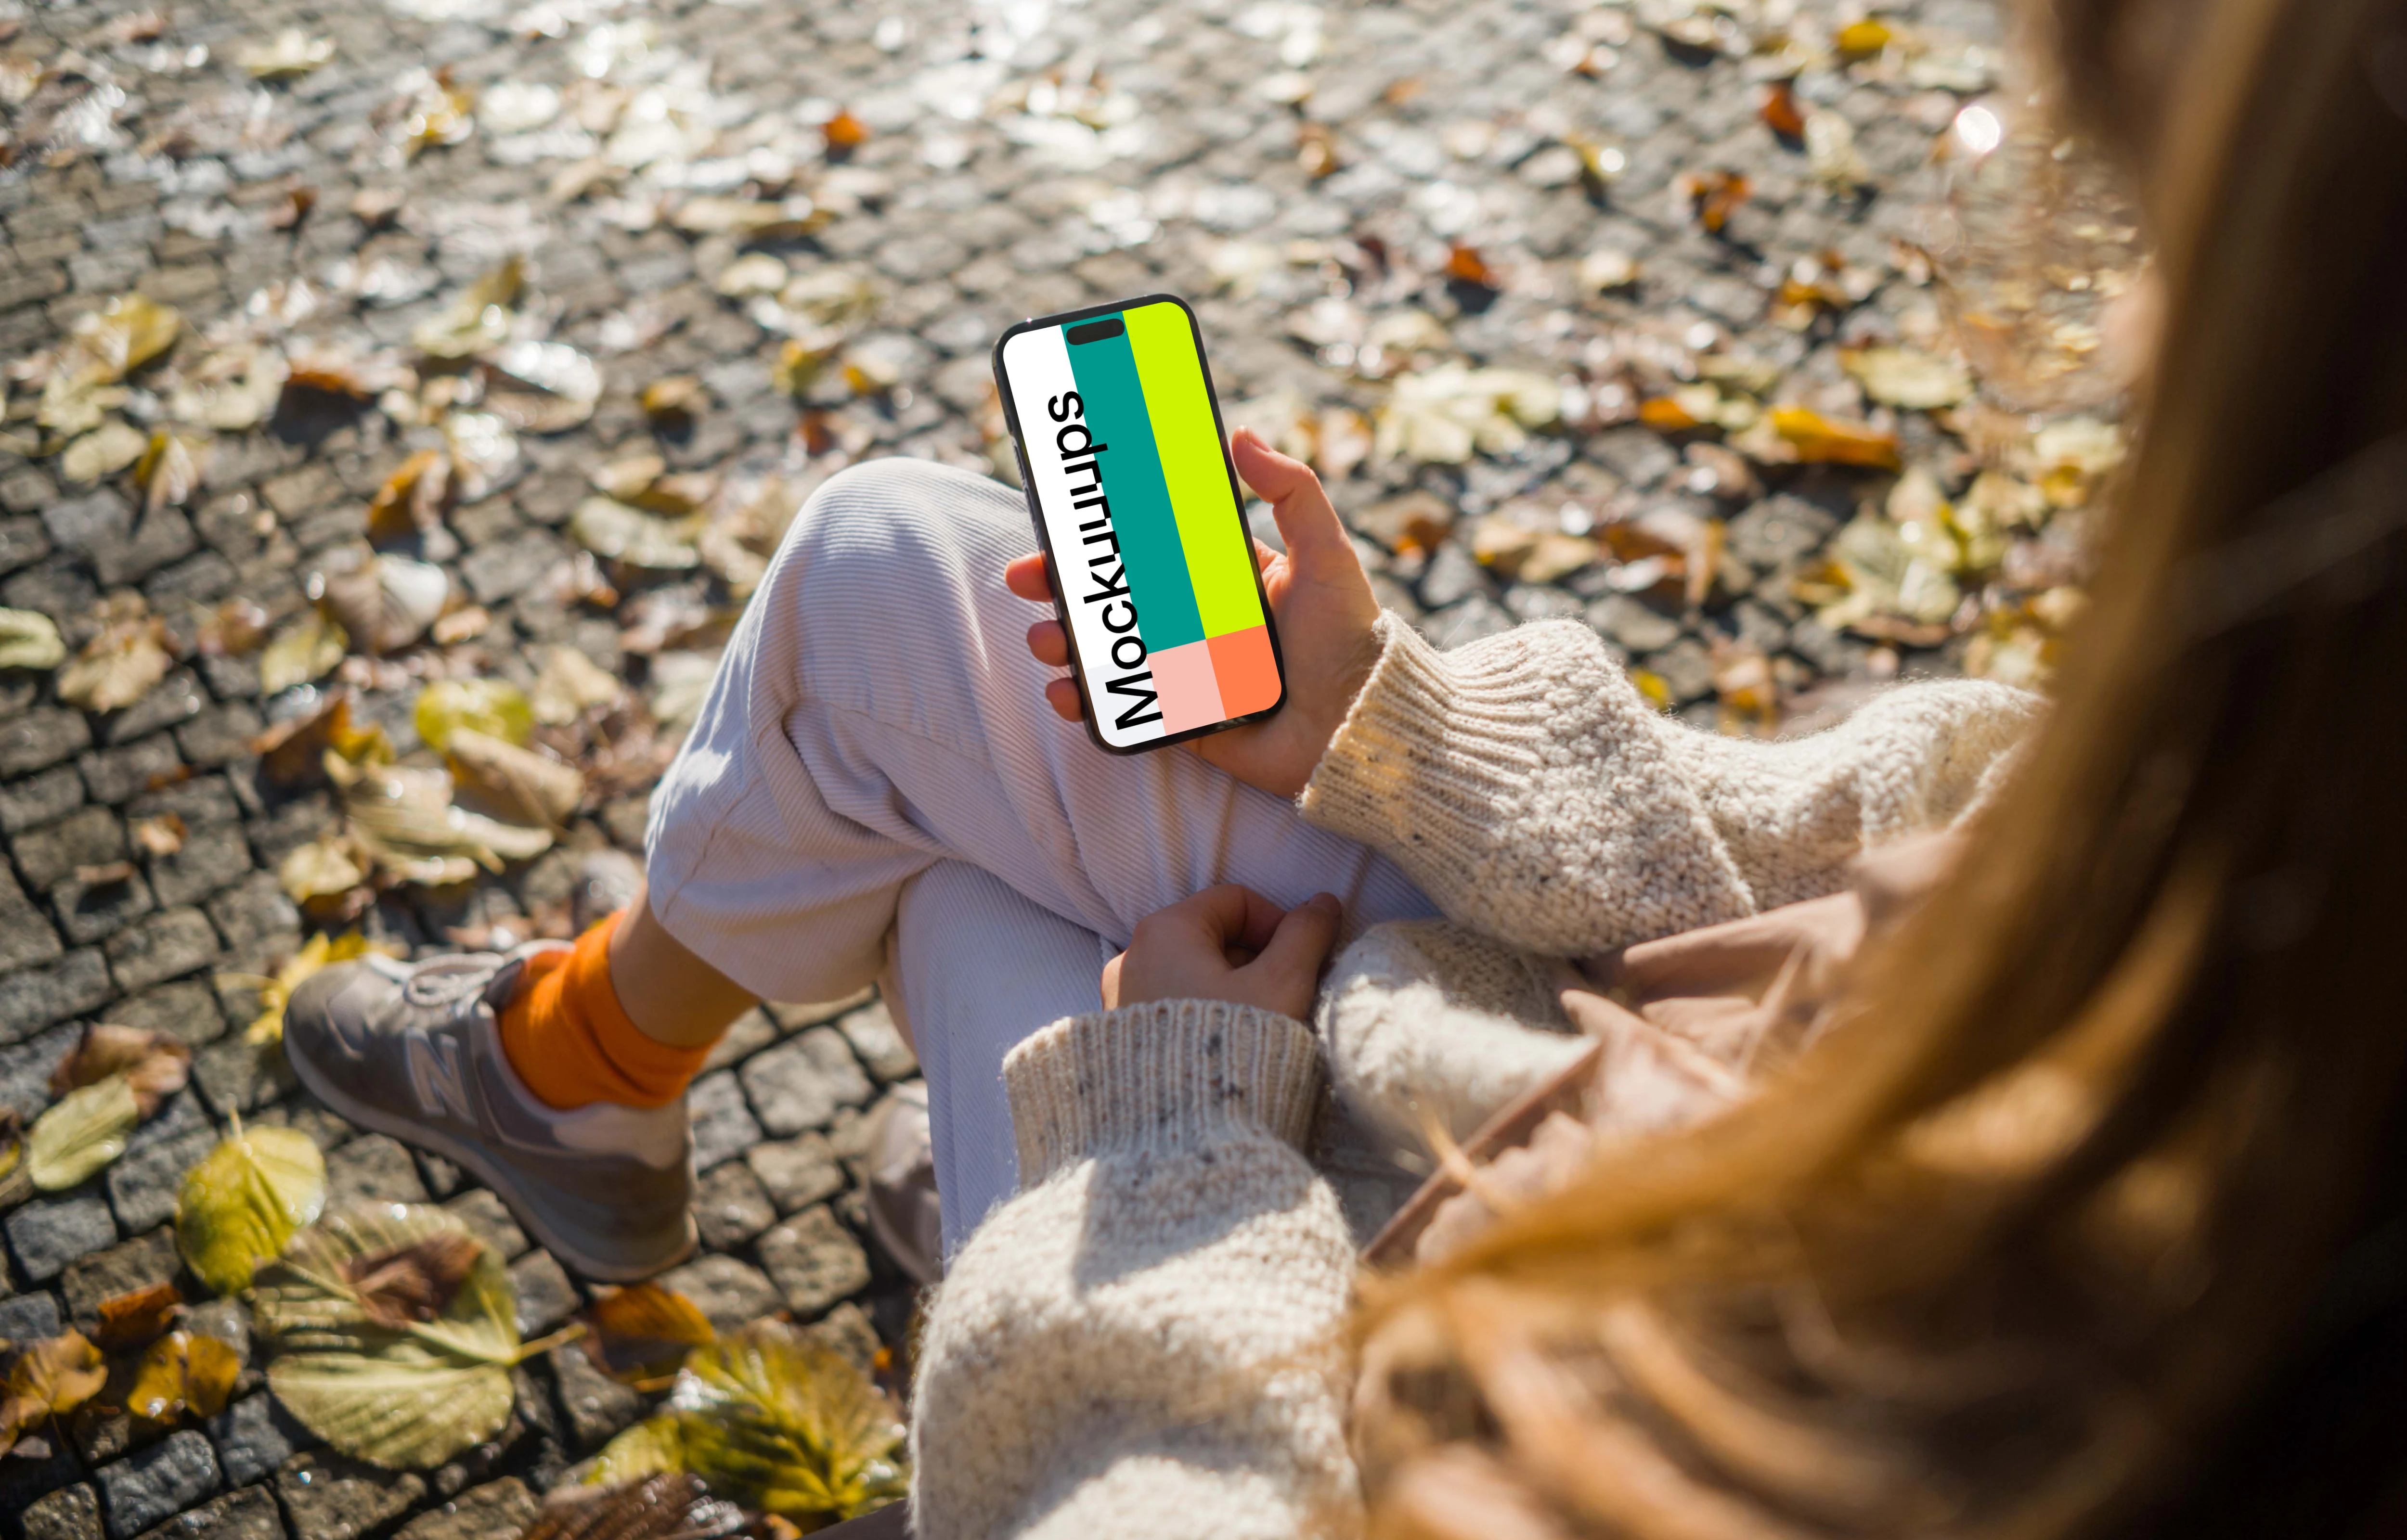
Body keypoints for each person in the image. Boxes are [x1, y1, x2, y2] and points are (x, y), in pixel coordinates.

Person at [284, 0, 2407, 1533]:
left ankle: (633, 1090)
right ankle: (599, 1070)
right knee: (886, 584)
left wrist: (1170, 1129)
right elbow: (1846, 811)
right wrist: (1395, 721)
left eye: (2143, 261)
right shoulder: (2250, 808)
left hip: (1333, 1243)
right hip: (1473, 1006)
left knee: (949, 881)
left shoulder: (2003, 1409)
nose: (2094, 330)